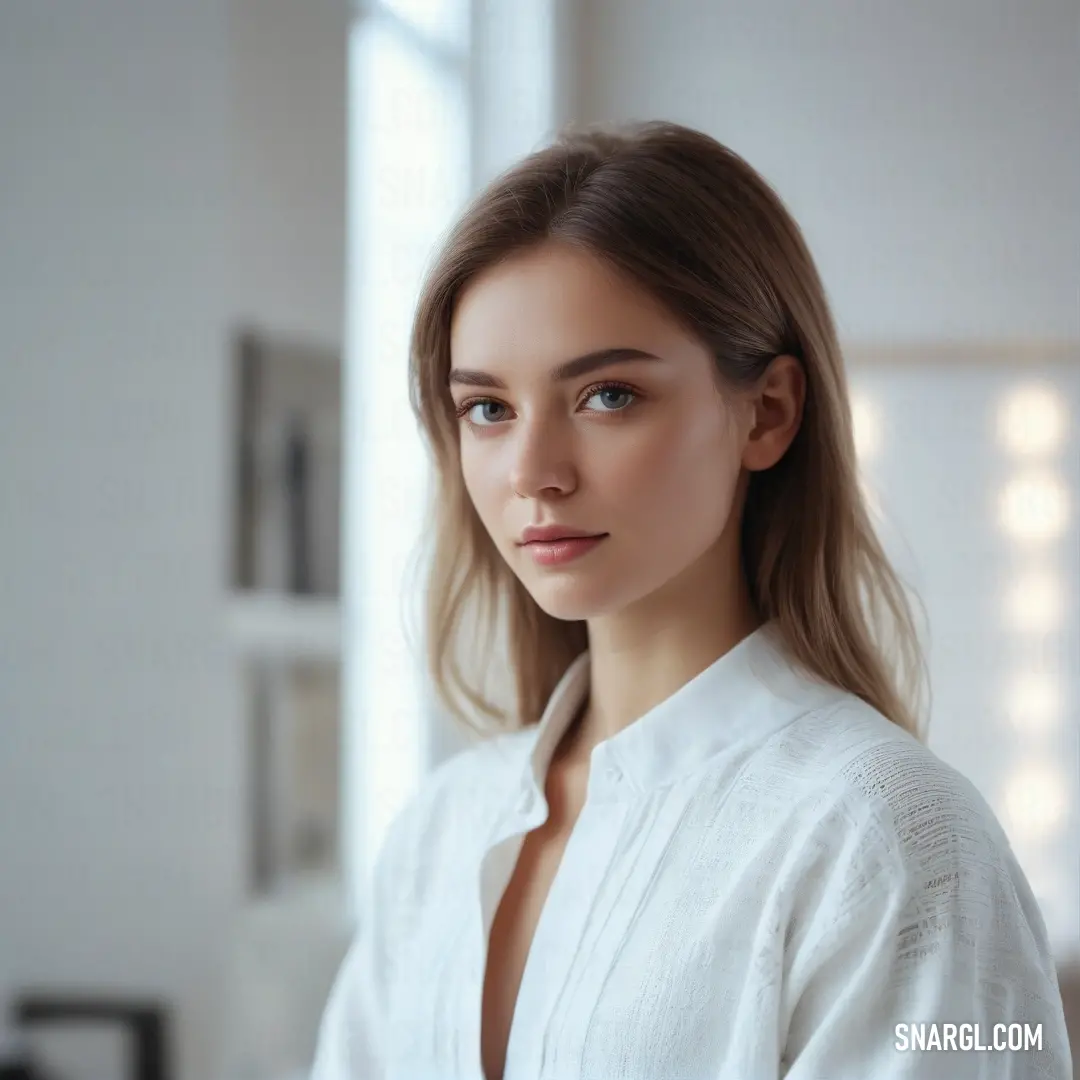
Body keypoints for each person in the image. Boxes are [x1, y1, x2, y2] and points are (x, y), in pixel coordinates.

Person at [311, 120, 1071, 1079]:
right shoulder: (442, 830)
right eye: (489, 409)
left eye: (608, 396)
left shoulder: (884, 838)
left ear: (769, 411)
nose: (534, 473)